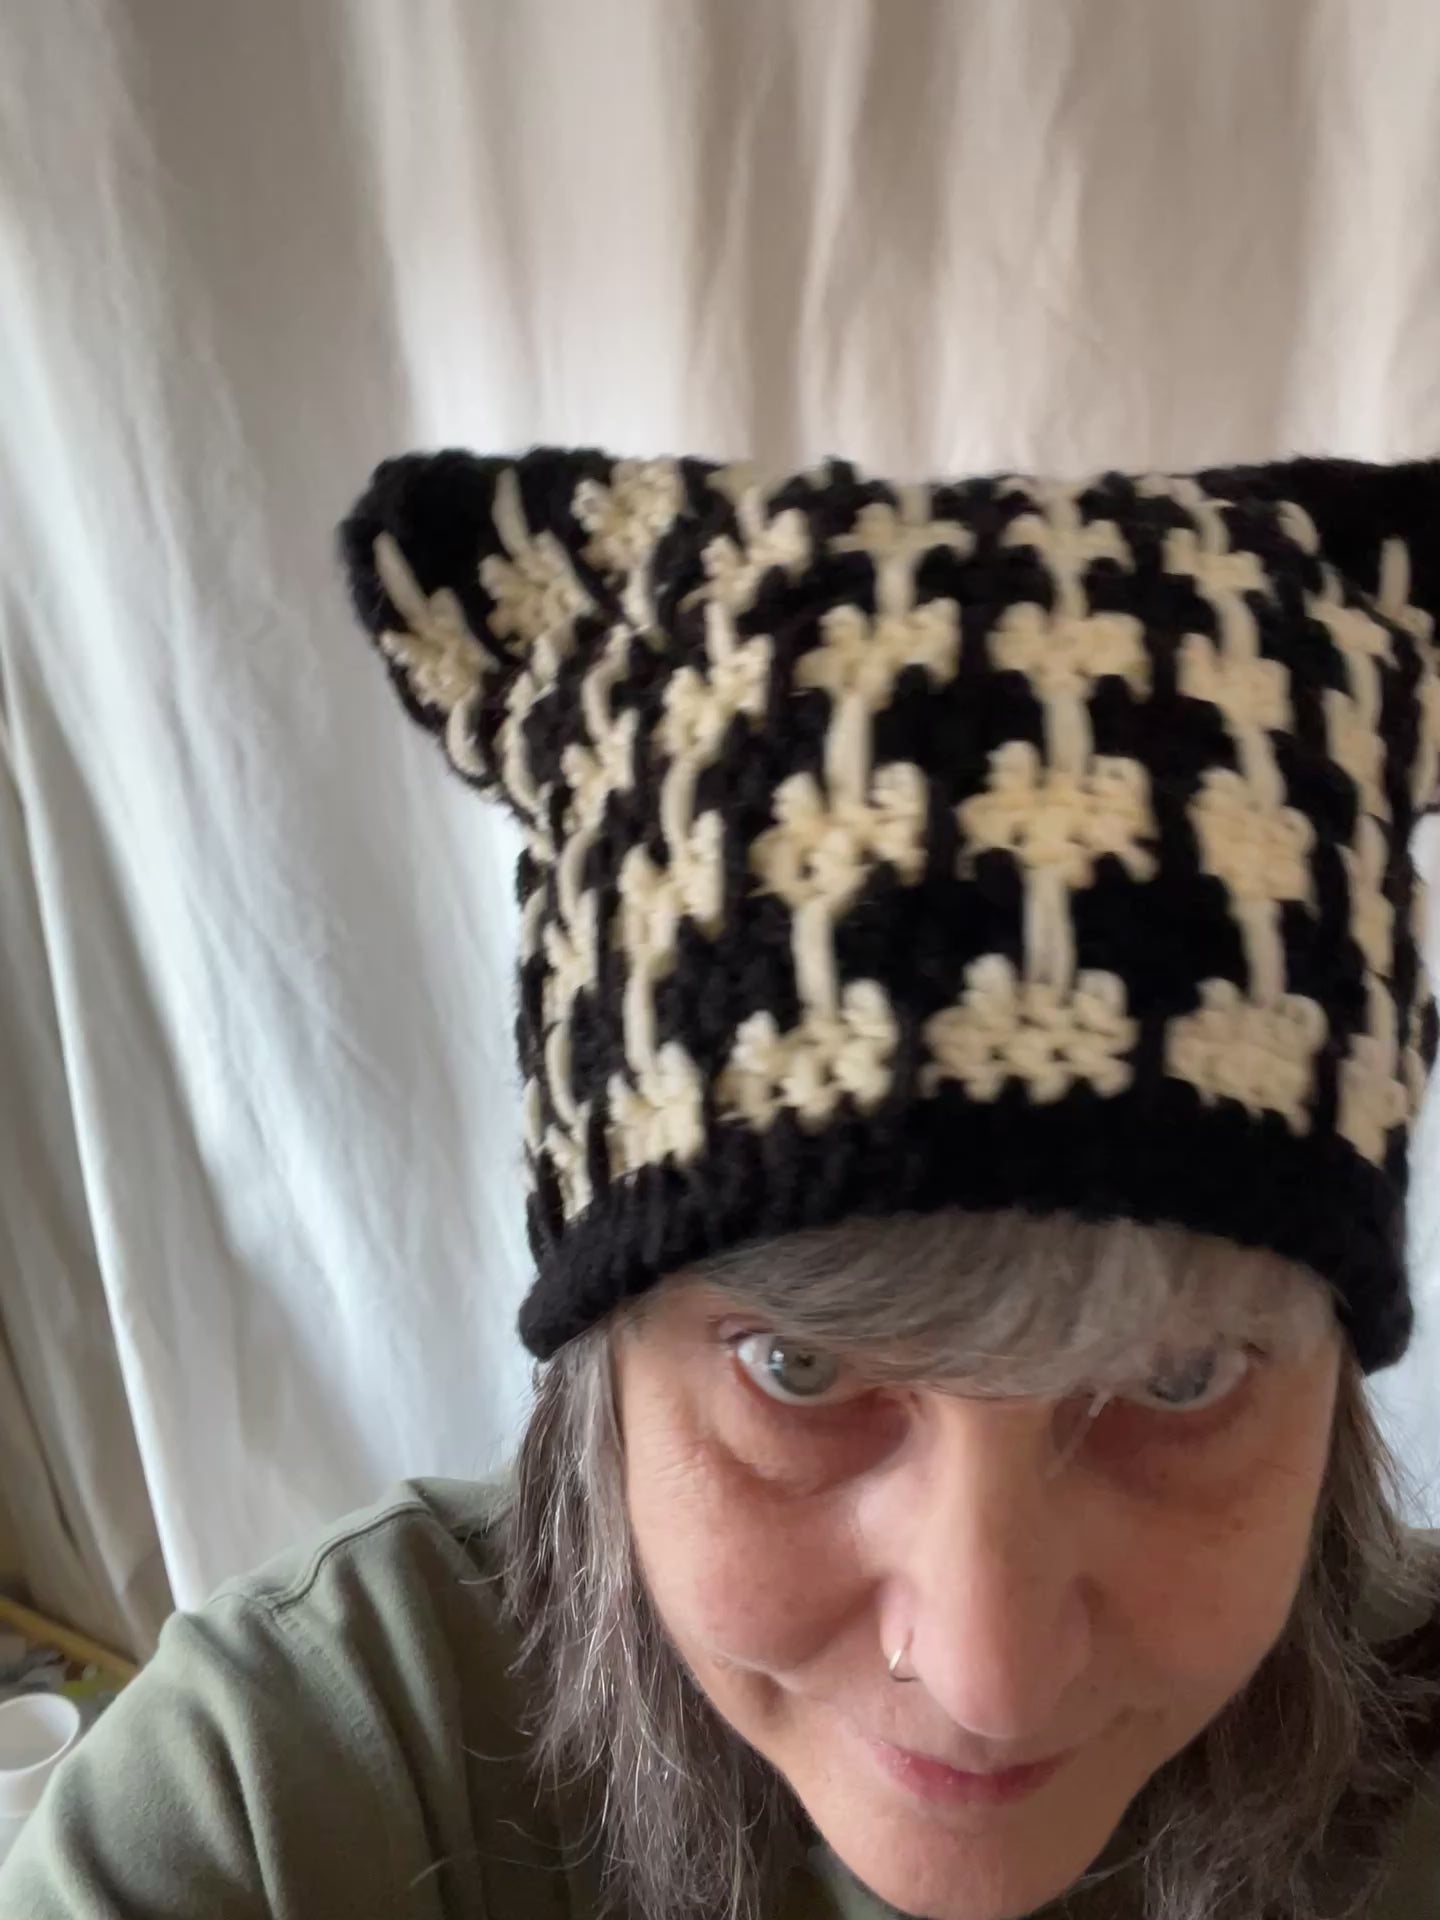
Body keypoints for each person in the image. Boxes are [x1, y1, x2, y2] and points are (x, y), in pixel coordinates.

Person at [6, 446, 1440, 1920]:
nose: (988, 1678)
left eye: (1181, 1380)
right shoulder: (279, 1791)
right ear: (607, 1364)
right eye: (800, 1370)